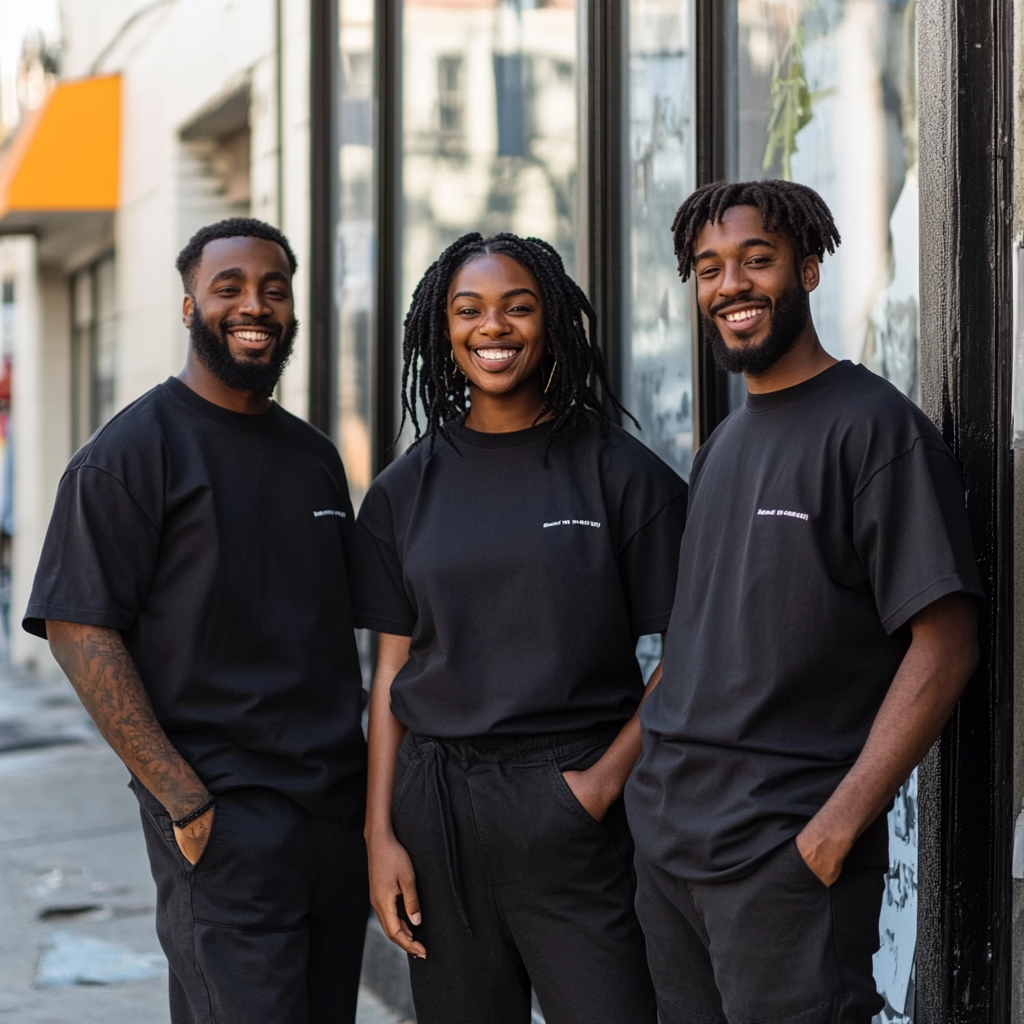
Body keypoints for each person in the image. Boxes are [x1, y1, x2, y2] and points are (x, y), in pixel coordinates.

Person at [625, 180, 983, 1024]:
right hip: (672, 848)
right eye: (709, 268)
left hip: (783, 859)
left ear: (810, 270)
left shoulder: (875, 429)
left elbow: (947, 642)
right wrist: (640, 790)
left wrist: (833, 831)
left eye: (758, 260)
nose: (731, 285)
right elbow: (697, 641)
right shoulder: (722, 444)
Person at [23, 218, 369, 1024]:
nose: (255, 305)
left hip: (332, 818)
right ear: (189, 309)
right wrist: (183, 799)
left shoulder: (315, 456)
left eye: (273, 289)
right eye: (229, 288)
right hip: (225, 818)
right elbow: (80, 628)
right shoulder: (130, 454)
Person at [351, 232, 686, 1024]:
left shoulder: (620, 473)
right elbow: (392, 677)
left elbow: (694, 649)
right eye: (468, 311)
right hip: (435, 806)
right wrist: (380, 835)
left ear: (553, 324)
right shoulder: (403, 492)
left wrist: (598, 787)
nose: (492, 328)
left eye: (517, 307)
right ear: (442, 330)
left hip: (570, 800)